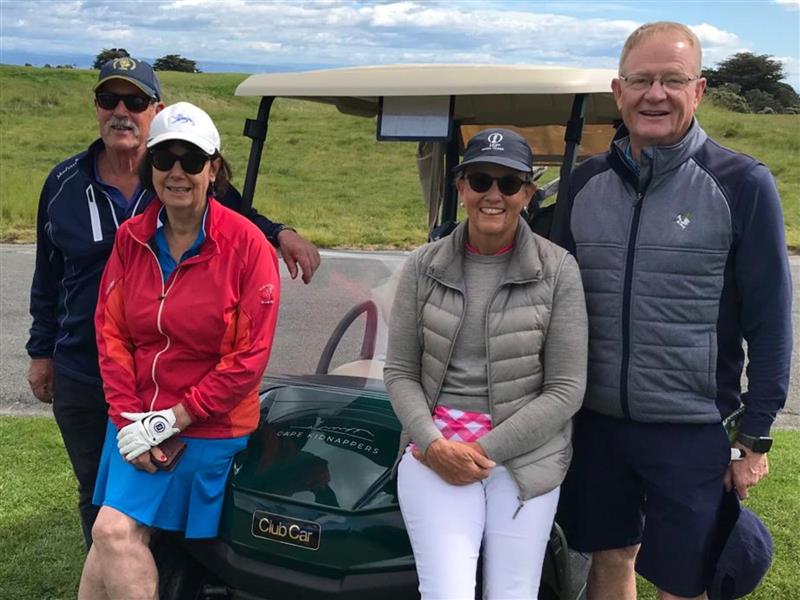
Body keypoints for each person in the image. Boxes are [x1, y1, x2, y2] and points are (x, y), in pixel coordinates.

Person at [25, 57, 319, 548]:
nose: (122, 111)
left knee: (148, 516)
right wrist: (41, 352)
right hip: (84, 365)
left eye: (135, 101)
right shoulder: (63, 184)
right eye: (110, 100)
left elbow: (233, 216)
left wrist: (279, 232)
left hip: (169, 388)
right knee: (97, 497)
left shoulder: (179, 182)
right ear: (96, 108)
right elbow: (47, 272)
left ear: (152, 109)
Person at [553, 22, 792, 600]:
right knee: (611, 556)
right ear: (619, 90)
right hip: (599, 422)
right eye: (641, 80)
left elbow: (770, 321)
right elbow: (549, 297)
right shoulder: (584, 185)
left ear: (700, 90)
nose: (654, 94)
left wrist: (754, 437)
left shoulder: (742, 183)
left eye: (672, 80)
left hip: (692, 427)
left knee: (688, 580)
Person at [77, 101, 280, 599]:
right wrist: (129, 420)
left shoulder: (247, 246)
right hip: (135, 422)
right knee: (109, 536)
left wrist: (173, 419)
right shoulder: (132, 238)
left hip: (209, 424)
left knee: (112, 532)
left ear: (214, 169)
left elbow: (248, 359)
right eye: (165, 158)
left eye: (191, 160)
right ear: (151, 169)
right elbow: (113, 333)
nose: (177, 172)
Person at [384, 128, 588, 599]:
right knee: (447, 592)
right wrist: (434, 446)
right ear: (461, 188)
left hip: (523, 456)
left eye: (509, 183)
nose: (493, 195)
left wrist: (483, 449)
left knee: (513, 593)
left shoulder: (558, 271)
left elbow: (566, 387)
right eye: (480, 181)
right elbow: (400, 372)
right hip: (434, 452)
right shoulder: (423, 265)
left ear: (528, 194)